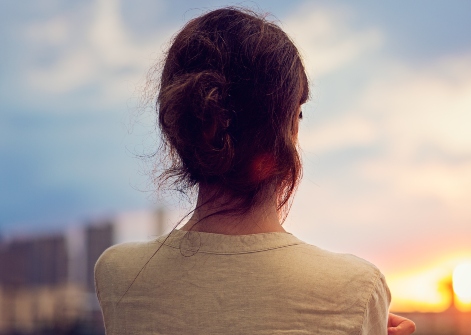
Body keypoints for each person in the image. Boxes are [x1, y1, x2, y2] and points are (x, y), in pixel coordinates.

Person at [94, 7, 415, 335]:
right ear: (288, 128)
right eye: (298, 114)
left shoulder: (119, 275)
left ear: (185, 126)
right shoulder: (358, 289)